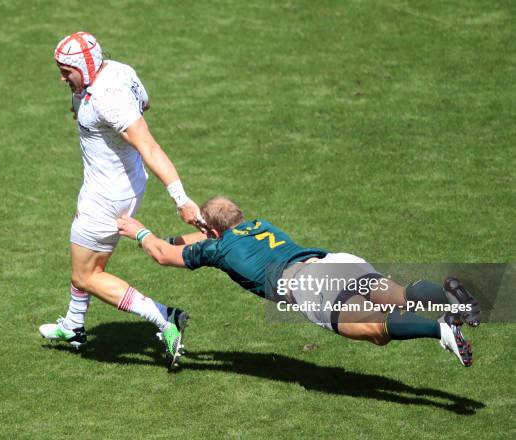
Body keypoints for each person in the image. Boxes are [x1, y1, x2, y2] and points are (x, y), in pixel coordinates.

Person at [117, 196, 481, 367]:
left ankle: (442, 331)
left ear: (213, 231)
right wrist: (196, 231)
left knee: (376, 329)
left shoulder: (217, 250)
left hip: (310, 287)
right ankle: (453, 304)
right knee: (400, 296)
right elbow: (211, 239)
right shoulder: (258, 224)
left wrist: (139, 231)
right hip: (338, 262)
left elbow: (164, 255)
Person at [39, 31, 203, 369]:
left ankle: (165, 317)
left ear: (84, 66)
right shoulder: (119, 70)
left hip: (106, 196)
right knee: (84, 258)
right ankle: (73, 325)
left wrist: (181, 198)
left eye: (66, 70)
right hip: (121, 185)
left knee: (87, 275)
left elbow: (149, 145)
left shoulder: (105, 99)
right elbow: (145, 102)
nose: (61, 77)